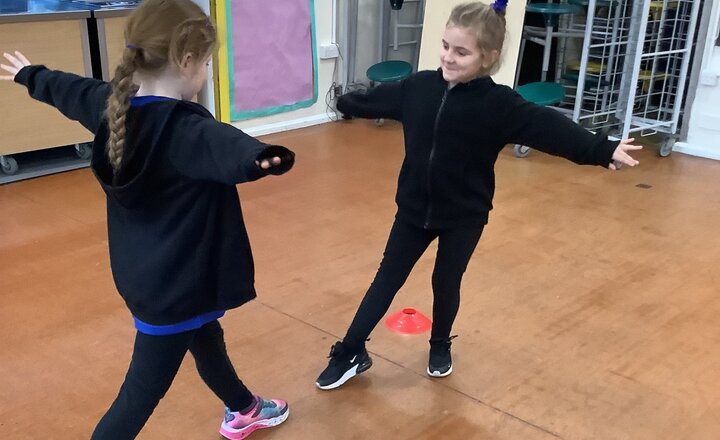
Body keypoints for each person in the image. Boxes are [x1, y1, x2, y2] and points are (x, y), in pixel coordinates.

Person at [1, 0, 294, 438]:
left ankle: (244, 407)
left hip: (156, 275)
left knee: (205, 335)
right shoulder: (184, 129)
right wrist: (264, 158)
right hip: (173, 287)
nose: (205, 73)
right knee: (140, 394)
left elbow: (71, 90)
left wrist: (33, 76)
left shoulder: (113, 105)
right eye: (206, 63)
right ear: (187, 61)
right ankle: (242, 407)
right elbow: (227, 146)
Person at [315, 0, 641, 390]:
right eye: (446, 46)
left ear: (488, 57)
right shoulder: (419, 87)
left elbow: (549, 127)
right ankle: (351, 350)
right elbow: (374, 99)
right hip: (413, 211)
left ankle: (439, 345)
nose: (449, 58)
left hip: (464, 216)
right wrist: (345, 100)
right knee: (386, 280)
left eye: (462, 52)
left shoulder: (499, 105)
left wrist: (601, 149)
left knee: (446, 282)